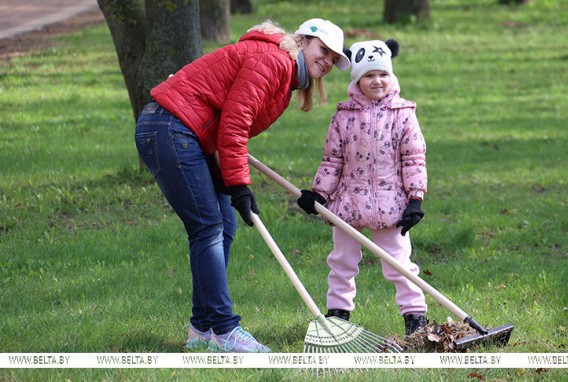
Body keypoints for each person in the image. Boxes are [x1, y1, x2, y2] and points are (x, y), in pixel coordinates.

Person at [134, 18, 350, 353]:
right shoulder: (273, 61)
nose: (327, 61)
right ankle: (225, 330)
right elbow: (234, 125)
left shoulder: (285, 74)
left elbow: (229, 123)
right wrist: (238, 186)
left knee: (224, 224)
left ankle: (202, 328)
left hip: (184, 131)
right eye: (323, 50)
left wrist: (233, 182)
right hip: (171, 128)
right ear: (304, 41)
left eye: (333, 59)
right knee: (208, 226)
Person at [297, 39, 429, 336]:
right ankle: (338, 316)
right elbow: (332, 160)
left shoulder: (403, 114)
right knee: (342, 262)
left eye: (382, 74)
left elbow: (414, 158)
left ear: (391, 77)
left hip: (391, 205)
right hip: (348, 205)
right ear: (357, 79)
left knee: (399, 264)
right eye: (368, 75)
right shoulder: (344, 116)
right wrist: (319, 194)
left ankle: (415, 318)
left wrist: (415, 199)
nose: (376, 81)